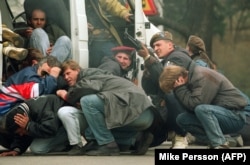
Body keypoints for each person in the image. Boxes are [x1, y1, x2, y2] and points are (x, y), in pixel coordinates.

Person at [57, 60, 155, 156]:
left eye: (68, 73)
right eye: (64, 76)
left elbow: (88, 87)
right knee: (106, 122)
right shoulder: (104, 76)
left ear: (78, 70)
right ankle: (137, 139)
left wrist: (67, 95)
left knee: (87, 101)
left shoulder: (88, 75)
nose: (66, 77)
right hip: (146, 115)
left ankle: (107, 144)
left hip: (134, 109)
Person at [159, 64, 250, 149]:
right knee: (182, 119)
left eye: (173, 87)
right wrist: (181, 90)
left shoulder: (201, 76)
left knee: (202, 109)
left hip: (235, 115)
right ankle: (218, 141)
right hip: (220, 115)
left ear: (178, 79)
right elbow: (189, 110)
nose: (174, 90)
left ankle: (219, 144)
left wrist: (180, 89)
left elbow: (196, 105)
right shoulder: (189, 82)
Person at [137, 31, 192, 148]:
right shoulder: (166, 59)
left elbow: (168, 80)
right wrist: (148, 71)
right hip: (180, 103)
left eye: (158, 45)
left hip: (186, 102)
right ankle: (169, 131)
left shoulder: (178, 57)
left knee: (169, 96)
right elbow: (150, 89)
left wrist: (148, 58)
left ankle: (180, 135)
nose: (155, 49)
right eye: (153, 47)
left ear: (170, 45)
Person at [0, 94, 69, 156]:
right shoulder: (23, 112)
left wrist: (29, 126)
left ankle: (67, 143)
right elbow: (23, 134)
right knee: (34, 143)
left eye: (20, 131)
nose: (21, 134)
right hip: (56, 126)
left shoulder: (40, 109)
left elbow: (51, 129)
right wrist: (16, 149)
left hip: (65, 127)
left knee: (37, 148)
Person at [86, 0, 132, 68]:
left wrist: (124, 13)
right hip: (86, 39)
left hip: (104, 38)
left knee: (115, 61)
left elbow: (110, 3)